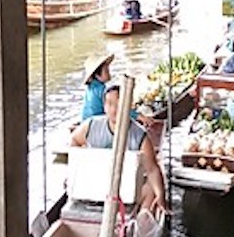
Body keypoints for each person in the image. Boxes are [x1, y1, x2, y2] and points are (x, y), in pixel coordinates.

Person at [71, 83, 168, 212]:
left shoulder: (140, 136)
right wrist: (76, 168)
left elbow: (152, 169)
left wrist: (161, 195)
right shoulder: (91, 126)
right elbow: (74, 140)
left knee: (151, 190)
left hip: (127, 189)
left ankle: (140, 222)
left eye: (119, 104)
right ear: (104, 107)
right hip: (97, 185)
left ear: (129, 107)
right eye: (110, 104)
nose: (114, 109)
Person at [81, 52, 114, 120]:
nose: (109, 73)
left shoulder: (90, 88)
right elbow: (115, 107)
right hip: (97, 122)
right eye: (106, 71)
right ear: (97, 75)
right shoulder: (102, 89)